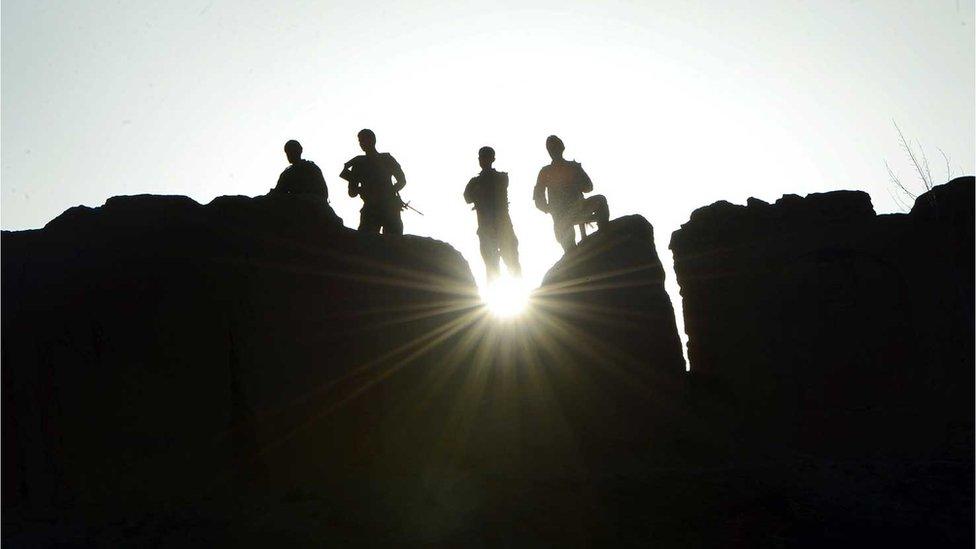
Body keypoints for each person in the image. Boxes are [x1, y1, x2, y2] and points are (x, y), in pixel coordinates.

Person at [533, 135, 609, 253]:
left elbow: (589, 187)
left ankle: (604, 232)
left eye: (555, 147)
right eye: (551, 148)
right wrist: (550, 209)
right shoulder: (545, 172)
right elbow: (538, 198)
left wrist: (577, 181)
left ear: (562, 147)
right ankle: (573, 253)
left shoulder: (573, 167)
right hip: (562, 216)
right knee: (569, 247)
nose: (554, 151)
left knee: (601, 200)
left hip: (579, 207)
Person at [464, 146, 522, 281]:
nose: (482, 160)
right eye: (481, 157)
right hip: (487, 229)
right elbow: (467, 197)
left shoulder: (501, 178)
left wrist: (479, 193)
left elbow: (483, 192)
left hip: (502, 228)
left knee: (512, 265)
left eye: (485, 157)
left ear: (492, 159)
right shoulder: (476, 182)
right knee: (492, 270)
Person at [339, 129, 407, 235]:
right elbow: (352, 193)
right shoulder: (358, 163)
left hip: (387, 209)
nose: (362, 143)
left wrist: (386, 192)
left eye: (364, 140)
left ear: (373, 140)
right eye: (360, 141)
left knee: (393, 245)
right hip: (373, 210)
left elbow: (402, 181)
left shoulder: (385, 159)